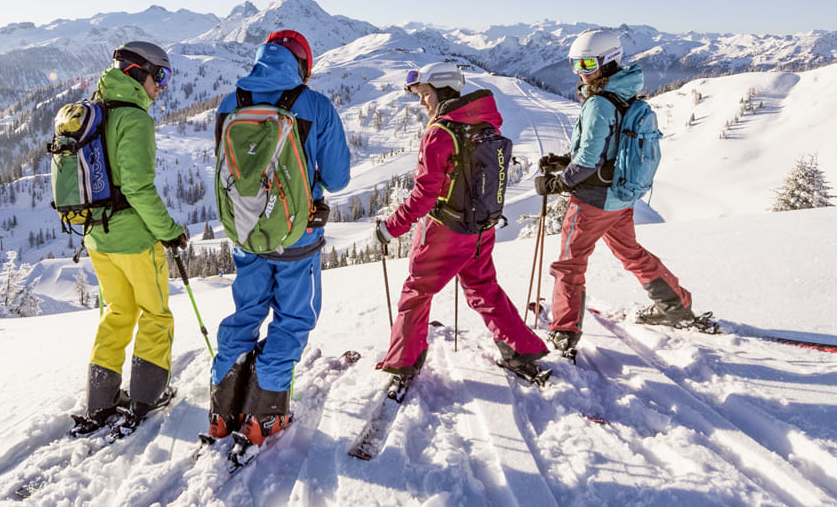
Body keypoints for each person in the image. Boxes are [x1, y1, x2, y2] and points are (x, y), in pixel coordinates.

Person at [208, 30, 351, 446]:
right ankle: (264, 417)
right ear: (302, 65)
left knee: (245, 312)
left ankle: (221, 410)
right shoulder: (315, 106)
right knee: (293, 319)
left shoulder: (230, 102)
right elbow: (339, 177)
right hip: (296, 235)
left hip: (247, 233)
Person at [370, 63, 550, 384]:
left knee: (416, 292)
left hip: (445, 231)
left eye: (425, 94)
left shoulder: (440, 133)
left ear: (443, 92)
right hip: (481, 229)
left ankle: (402, 363)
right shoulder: (485, 125)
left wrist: (390, 228)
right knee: (484, 289)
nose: (422, 102)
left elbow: (424, 196)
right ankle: (520, 350)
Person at [534, 30, 695, 354]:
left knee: (570, 263)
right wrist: (565, 161)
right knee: (630, 252)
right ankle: (675, 305)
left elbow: (591, 158)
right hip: (620, 196)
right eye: (574, 63)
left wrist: (560, 181)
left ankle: (564, 331)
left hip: (592, 201)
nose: (580, 69)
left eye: (588, 62)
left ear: (607, 62)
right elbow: (608, 148)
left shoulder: (598, 102)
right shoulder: (623, 94)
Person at [79, 41, 190, 430]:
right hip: (134, 239)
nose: (162, 86)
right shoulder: (135, 120)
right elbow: (139, 189)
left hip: (96, 237)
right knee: (156, 314)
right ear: (135, 73)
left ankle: (100, 401)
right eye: (159, 75)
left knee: (118, 312)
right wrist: (170, 232)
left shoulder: (95, 110)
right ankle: (147, 397)